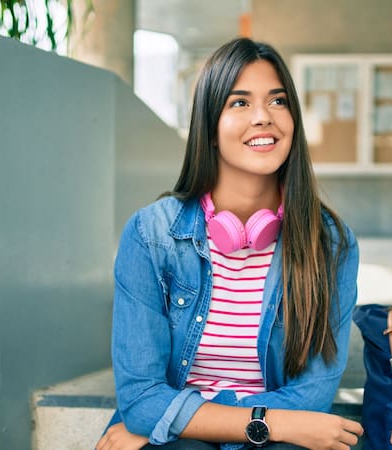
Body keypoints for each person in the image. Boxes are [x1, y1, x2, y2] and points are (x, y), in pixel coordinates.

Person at [96, 37, 362, 450]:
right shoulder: (151, 236)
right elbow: (141, 397)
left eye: (277, 101)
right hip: (208, 439)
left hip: (255, 437)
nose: (263, 118)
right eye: (240, 103)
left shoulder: (329, 243)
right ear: (211, 130)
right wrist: (270, 423)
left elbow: (313, 393)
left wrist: (182, 417)